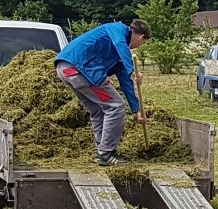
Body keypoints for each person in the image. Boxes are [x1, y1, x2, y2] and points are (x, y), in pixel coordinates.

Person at [55, 19, 149, 166]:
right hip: (80, 68)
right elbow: (120, 43)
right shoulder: (118, 29)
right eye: (142, 43)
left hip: (66, 69)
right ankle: (105, 153)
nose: (138, 47)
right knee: (116, 106)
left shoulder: (119, 53)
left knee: (97, 109)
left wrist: (137, 110)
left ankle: (102, 149)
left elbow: (126, 83)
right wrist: (132, 70)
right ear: (142, 37)